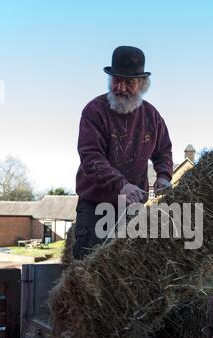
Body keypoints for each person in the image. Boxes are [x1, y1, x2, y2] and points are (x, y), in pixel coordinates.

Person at [73, 45, 173, 260]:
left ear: (142, 84)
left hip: (133, 207)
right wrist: (121, 185)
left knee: (130, 269)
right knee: (88, 269)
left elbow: (164, 150)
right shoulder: (94, 111)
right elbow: (91, 157)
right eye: (116, 80)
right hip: (95, 205)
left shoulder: (151, 116)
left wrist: (164, 177)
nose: (121, 87)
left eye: (129, 82)